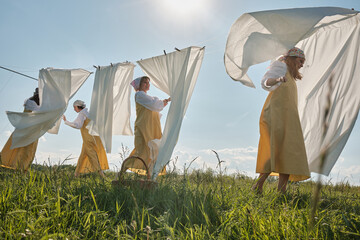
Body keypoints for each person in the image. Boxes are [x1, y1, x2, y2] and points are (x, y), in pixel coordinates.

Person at [252, 47, 310, 194]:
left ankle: (281, 192)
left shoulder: (291, 76)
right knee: (275, 149)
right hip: (275, 115)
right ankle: (258, 186)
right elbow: (265, 82)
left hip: (289, 117)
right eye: (300, 60)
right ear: (291, 58)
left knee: (288, 150)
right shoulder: (281, 67)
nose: (302, 64)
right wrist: (277, 79)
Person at [126, 76, 170, 175]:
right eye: (145, 82)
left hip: (150, 126)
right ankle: (124, 169)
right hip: (144, 127)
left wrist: (165, 101)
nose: (147, 84)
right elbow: (155, 105)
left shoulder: (147, 97)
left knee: (151, 150)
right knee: (143, 150)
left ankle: (149, 176)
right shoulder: (139, 94)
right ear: (139, 85)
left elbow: (155, 106)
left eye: (148, 83)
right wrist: (164, 102)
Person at [62, 100, 108, 177]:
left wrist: (66, 121)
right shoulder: (88, 112)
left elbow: (77, 125)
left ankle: (101, 175)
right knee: (82, 156)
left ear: (78, 106)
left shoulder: (81, 114)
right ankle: (76, 175)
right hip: (94, 138)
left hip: (88, 139)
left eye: (74, 107)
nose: (74, 109)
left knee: (93, 156)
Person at [1, 88, 41, 171]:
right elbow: (39, 113)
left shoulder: (36, 104)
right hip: (27, 129)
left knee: (27, 151)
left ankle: (21, 169)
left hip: (32, 130)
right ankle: (13, 166)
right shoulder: (31, 103)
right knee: (20, 148)